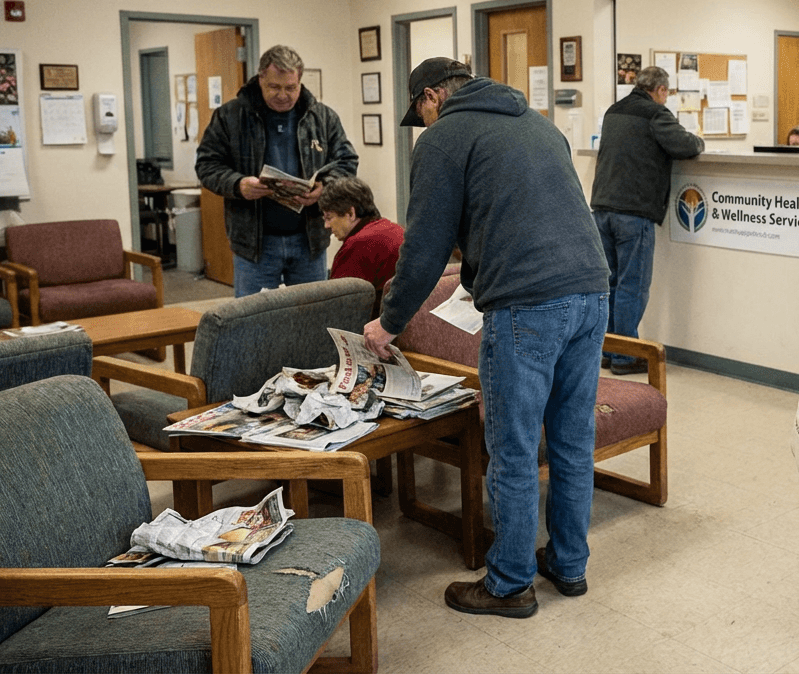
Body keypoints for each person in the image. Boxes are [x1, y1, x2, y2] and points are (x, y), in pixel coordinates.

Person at [364, 57, 609, 620]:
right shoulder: (539, 121)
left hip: (527, 303)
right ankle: (569, 565)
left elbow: (423, 246)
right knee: (572, 439)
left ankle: (508, 584)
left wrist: (390, 320)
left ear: (431, 97)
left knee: (514, 447)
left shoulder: (444, 138)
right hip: (592, 291)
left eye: (419, 114)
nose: (422, 126)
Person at [196, 45, 358, 297]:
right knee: (254, 322)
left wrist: (325, 188)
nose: (283, 95)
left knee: (311, 317)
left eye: (291, 88)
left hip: (309, 239)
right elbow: (206, 165)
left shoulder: (322, 117)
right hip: (255, 245)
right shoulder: (230, 116)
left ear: (300, 81)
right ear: (260, 79)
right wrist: (238, 185)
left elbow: (347, 161)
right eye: (274, 87)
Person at [590, 64, 704, 375]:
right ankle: (626, 356)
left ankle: (609, 350)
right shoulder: (655, 113)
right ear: (661, 91)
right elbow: (686, 145)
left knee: (610, 283)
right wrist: (701, 141)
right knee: (632, 286)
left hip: (601, 208)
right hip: (633, 212)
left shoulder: (614, 111)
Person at [320, 176, 404, 312]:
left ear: (350, 213)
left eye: (329, 217)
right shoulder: (397, 229)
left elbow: (335, 307)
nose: (326, 225)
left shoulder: (357, 246)